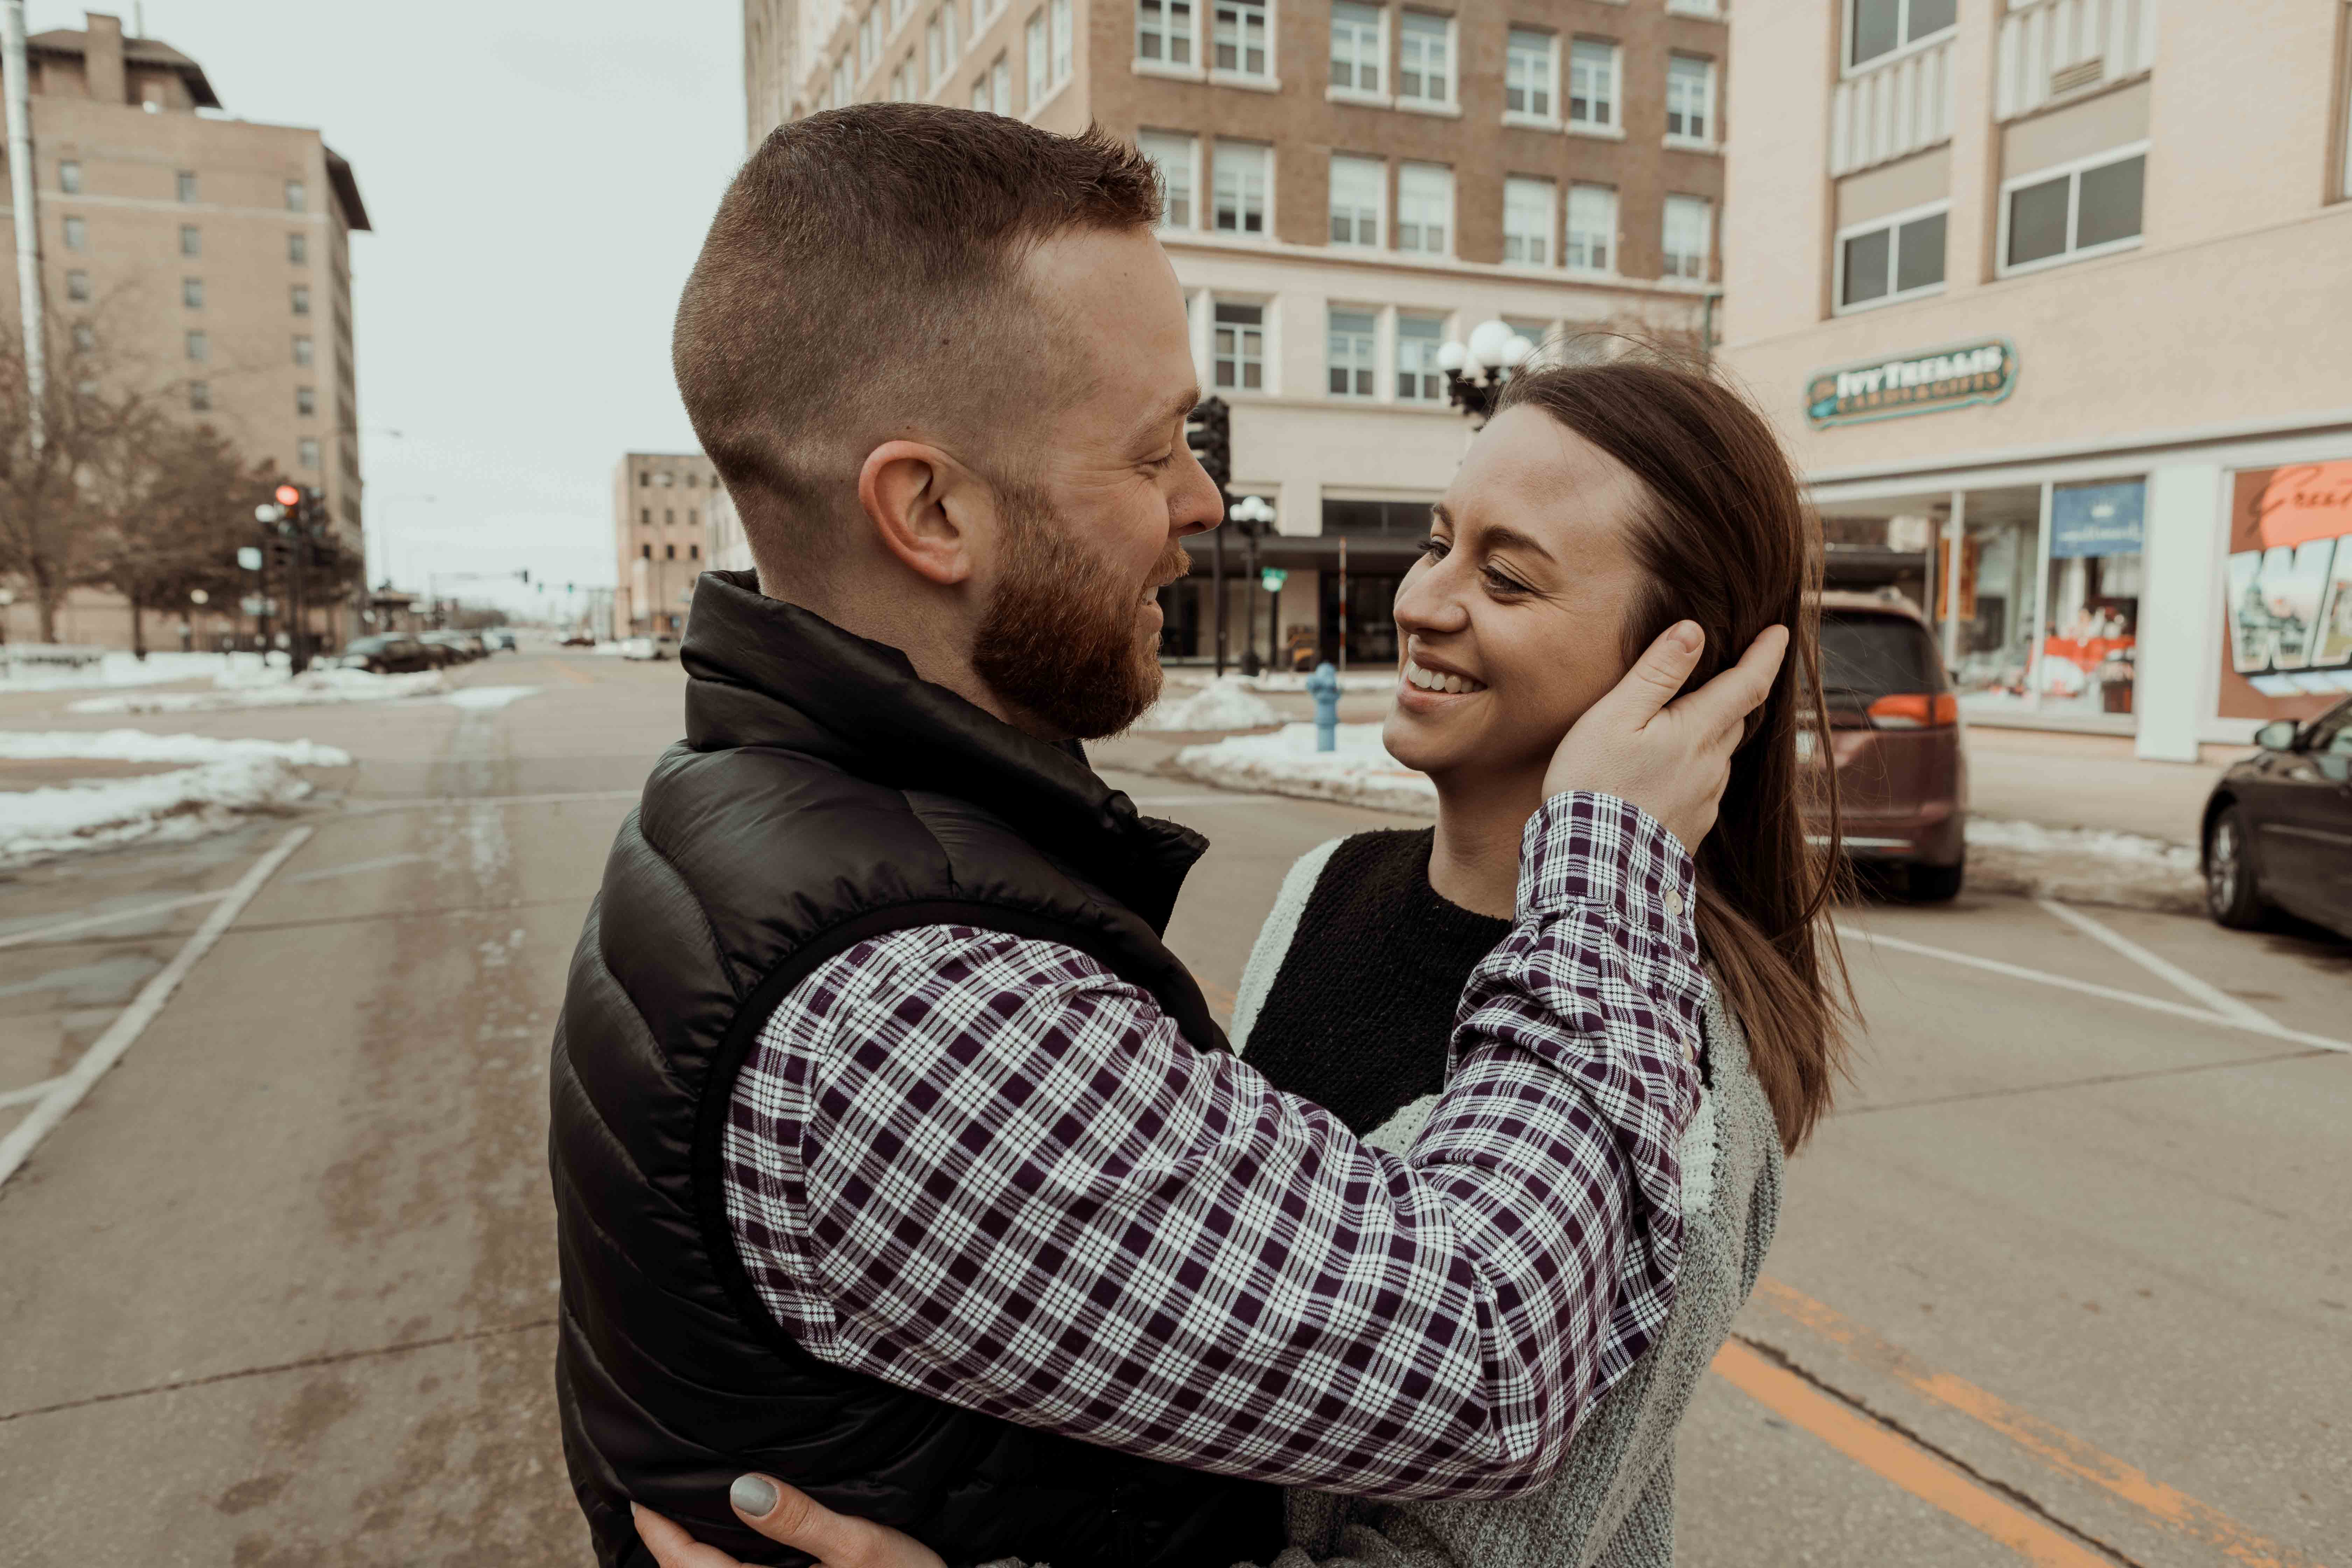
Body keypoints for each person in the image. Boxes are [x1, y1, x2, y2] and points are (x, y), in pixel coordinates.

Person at [551, 101, 1782, 1568]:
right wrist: (1607, 875)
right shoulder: (916, 1006)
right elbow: (1490, 1351)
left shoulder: (768, 821)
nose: (1204, 499)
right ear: (930, 508)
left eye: (1508, 572)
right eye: (1153, 453)